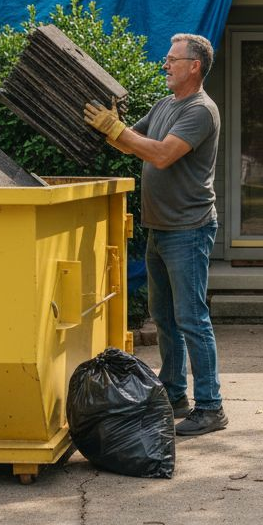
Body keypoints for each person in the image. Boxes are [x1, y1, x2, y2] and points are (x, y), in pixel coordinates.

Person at [82, 33, 226, 437]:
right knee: (163, 318)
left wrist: (116, 129)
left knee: (192, 318)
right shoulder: (165, 105)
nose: (166, 64)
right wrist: (110, 126)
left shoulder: (201, 110)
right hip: (160, 227)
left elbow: (162, 155)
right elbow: (133, 144)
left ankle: (211, 406)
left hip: (189, 229)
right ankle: (175, 395)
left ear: (194, 66)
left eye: (172, 59)